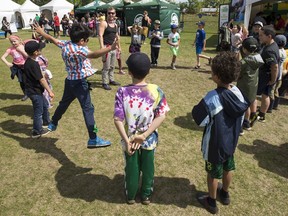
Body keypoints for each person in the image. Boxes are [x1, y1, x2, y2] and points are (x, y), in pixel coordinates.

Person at [33, 22, 118, 147]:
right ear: (82, 41)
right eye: (87, 40)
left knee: (63, 104)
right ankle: (93, 139)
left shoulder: (66, 44)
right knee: (88, 109)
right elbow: (94, 54)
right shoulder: (80, 50)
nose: (87, 42)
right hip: (80, 83)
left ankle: (53, 123)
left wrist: (42, 32)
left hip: (70, 81)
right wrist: (110, 48)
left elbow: (53, 39)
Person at [192, 52, 249, 214]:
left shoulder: (212, 97)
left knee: (213, 173)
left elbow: (198, 118)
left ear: (216, 77)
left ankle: (211, 201)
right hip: (231, 142)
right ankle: (224, 193)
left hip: (215, 145)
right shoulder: (238, 92)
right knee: (228, 166)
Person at [114, 52, 170, 205]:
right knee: (148, 168)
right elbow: (161, 115)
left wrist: (127, 140)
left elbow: (118, 119)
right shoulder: (156, 90)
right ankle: (146, 195)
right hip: (149, 139)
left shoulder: (122, 92)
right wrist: (144, 135)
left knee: (131, 168)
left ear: (130, 72)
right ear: (149, 71)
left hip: (130, 140)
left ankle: (131, 196)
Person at [23, 40, 54, 138]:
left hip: (36, 91)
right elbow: (42, 79)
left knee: (44, 105)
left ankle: (46, 121)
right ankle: (36, 131)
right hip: (34, 92)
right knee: (38, 111)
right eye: (39, 49)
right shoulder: (33, 64)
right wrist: (50, 91)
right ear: (36, 52)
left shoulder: (29, 61)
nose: (41, 50)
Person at [250, 27, 279, 125]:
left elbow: (274, 66)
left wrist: (273, 80)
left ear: (269, 36)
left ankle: (254, 115)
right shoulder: (268, 44)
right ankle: (261, 115)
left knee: (254, 94)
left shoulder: (270, 50)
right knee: (265, 94)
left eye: (261, 35)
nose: (259, 37)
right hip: (265, 75)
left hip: (266, 76)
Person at [237, 37, 264, 131]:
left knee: (242, 106)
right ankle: (247, 122)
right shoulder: (258, 57)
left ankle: (241, 126)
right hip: (253, 85)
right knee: (248, 104)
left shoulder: (243, 62)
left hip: (244, 86)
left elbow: (237, 74)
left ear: (244, 49)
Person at [98, 7, 121, 91]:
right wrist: (102, 48)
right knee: (106, 66)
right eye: (109, 13)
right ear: (107, 14)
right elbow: (100, 35)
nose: (111, 14)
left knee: (112, 66)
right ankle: (105, 82)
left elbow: (117, 36)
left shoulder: (115, 24)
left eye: (113, 13)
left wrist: (119, 47)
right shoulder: (104, 23)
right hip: (106, 47)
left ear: (115, 14)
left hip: (114, 48)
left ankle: (111, 80)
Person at [1, 35, 28, 101]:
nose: (13, 43)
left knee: (28, 80)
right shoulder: (10, 49)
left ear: (19, 40)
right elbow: (2, 57)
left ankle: (31, 92)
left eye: (14, 41)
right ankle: (26, 94)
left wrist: (21, 50)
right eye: (11, 42)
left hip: (26, 66)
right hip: (17, 67)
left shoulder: (23, 47)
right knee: (21, 81)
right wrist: (7, 63)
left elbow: (27, 56)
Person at [267, 35, 287, 112]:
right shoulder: (284, 52)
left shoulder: (277, 52)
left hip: (276, 74)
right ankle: (275, 105)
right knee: (276, 91)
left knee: (271, 91)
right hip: (280, 76)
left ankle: (270, 107)